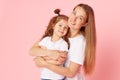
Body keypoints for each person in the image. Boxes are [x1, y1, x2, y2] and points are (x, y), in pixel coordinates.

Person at [32, 3, 96, 80]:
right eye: (74, 13)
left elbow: (71, 73)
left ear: (85, 23)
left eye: (80, 18)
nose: (73, 19)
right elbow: (32, 50)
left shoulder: (79, 42)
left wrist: (45, 63)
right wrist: (50, 53)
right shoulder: (62, 30)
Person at [29, 9, 70, 80]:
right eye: (60, 25)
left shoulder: (63, 43)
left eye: (65, 28)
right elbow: (37, 53)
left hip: (57, 78)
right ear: (53, 26)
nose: (62, 29)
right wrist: (51, 56)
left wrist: (43, 61)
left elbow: (59, 61)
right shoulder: (45, 40)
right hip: (44, 76)